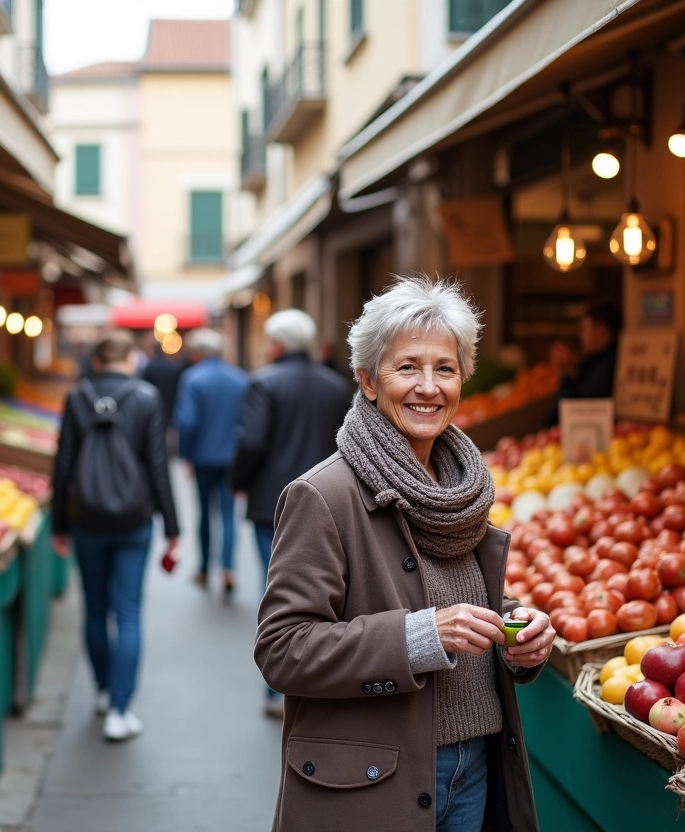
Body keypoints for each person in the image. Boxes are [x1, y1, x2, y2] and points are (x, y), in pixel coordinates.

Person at [254, 275, 554, 831]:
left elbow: (446, 594)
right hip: (375, 775)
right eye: (407, 367)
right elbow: (280, 649)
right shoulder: (323, 495)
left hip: (477, 765)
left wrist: (515, 627)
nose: (428, 386)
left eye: (445, 368)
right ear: (368, 380)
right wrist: (418, 636)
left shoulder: (460, 487)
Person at [51, 329, 180, 742]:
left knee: (94, 609)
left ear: (98, 359)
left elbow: (63, 464)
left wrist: (59, 523)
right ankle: (121, 712)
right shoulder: (145, 397)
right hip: (133, 520)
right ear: (128, 358)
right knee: (127, 612)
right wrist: (172, 527)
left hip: (86, 519)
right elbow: (157, 467)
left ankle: (104, 693)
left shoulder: (76, 397)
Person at [231, 308, 350, 716]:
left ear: (278, 344)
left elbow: (251, 442)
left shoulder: (263, 382)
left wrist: (238, 482)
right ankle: (322, 682)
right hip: (332, 502)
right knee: (330, 592)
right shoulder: (336, 386)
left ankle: (280, 689)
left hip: (272, 502)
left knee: (280, 593)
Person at [174, 328, 248, 596]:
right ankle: (228, 569)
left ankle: (205, 568)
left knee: (204, 514)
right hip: (232, 458)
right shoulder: (240, 379)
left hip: (204, 458)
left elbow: (187, 421)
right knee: (229, 516)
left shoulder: (193, 379)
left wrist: (186, 455)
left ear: (198, 353)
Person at [546, 299, 621, 426]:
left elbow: (574, 409)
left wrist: (566, 372)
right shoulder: (594, 360)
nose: (581, 337)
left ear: (600, 330)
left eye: (584, 330)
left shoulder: (608, 366)